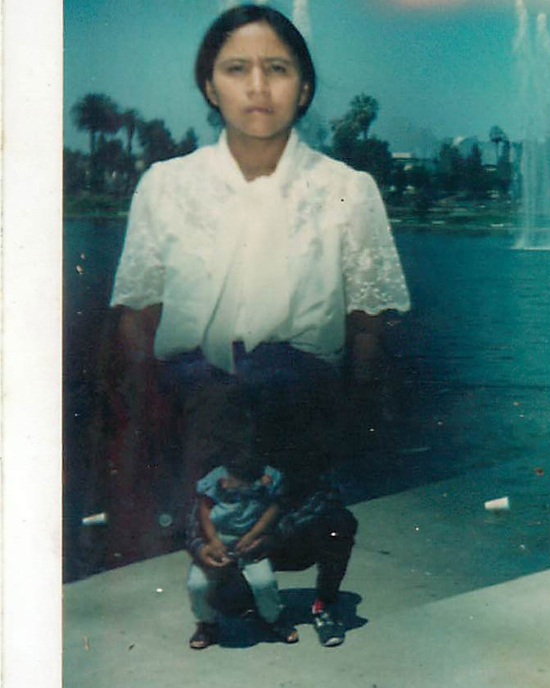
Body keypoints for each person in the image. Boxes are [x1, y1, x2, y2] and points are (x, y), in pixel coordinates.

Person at [109, 5, 410, 646]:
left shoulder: (349, 190)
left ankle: (310, 599)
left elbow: (366, 321)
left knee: (299, 524)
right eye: (236, 68)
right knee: (213, 534)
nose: (257, 85)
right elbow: (138, 314)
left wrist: (354, 413)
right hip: (198, 398)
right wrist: (147, 410)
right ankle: (225, 604)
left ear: (303, 88)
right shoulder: (165, 186)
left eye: (277, 69)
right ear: (209, 86)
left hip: (300, 394)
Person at [186, 406, 295, 649]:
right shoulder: (217, 478)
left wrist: (255, 535)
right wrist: (212, 541)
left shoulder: (269, 477)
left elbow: (275, 508)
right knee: (196, 584)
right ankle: (207, 624)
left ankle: (273, 618)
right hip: (220, 539)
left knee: (264, 583)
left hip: (251, 541)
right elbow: (203, 509)